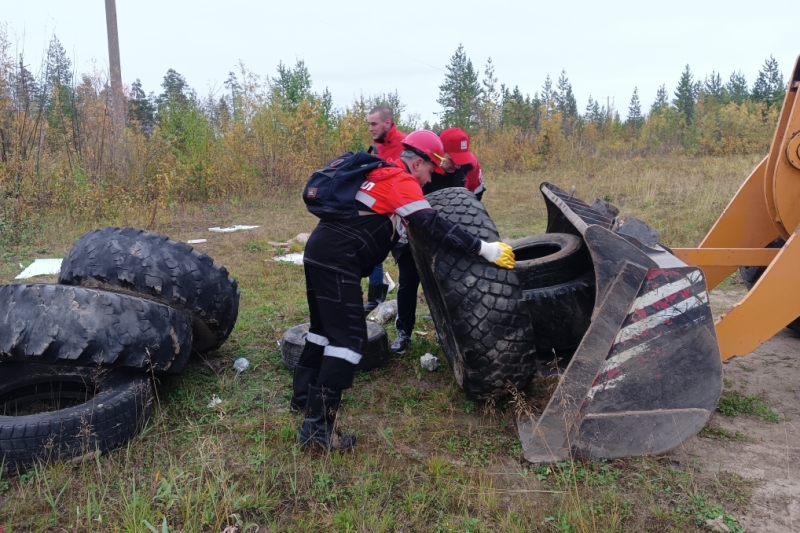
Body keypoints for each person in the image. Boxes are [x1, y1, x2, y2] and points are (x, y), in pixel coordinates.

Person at [291, 130, 515, 451]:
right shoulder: (401, 181)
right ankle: (318, 430)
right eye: (430, 171)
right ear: (418, 162)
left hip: (319, 251)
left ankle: (301, 401)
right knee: (348, 342)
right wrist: (485, 249)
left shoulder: (379, 172)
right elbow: (433, 224)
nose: (429, 180)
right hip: (338, 259)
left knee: (322, 331)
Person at [390, 127, 486, 354]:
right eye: (451, 160)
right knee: (408, 281)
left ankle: (450, 331)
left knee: (452, 281)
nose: (456, 165)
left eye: (461, 159)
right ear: (438, 155)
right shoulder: (419, 169)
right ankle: (404, 331)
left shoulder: (469, 166)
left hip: (449, 234)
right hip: (413, 232)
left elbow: (476, 199)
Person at [363, 106, 407, 311]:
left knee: (412, 259)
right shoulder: (377, 146)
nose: (370, 128)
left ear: (387, 123)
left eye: (374, 123)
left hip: (404, 210)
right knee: (373, 250)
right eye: (369, 124)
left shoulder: (407, 144)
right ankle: (374, 299)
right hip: (381, 208)